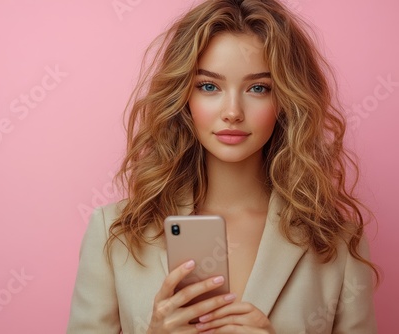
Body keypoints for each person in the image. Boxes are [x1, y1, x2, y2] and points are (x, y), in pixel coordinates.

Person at [67, 0, 379, 333]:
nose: (232, 111)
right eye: (209, 86)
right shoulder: (113, 233)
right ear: (184, 97)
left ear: (286, 100)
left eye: (258, 88)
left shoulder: (339, 243)